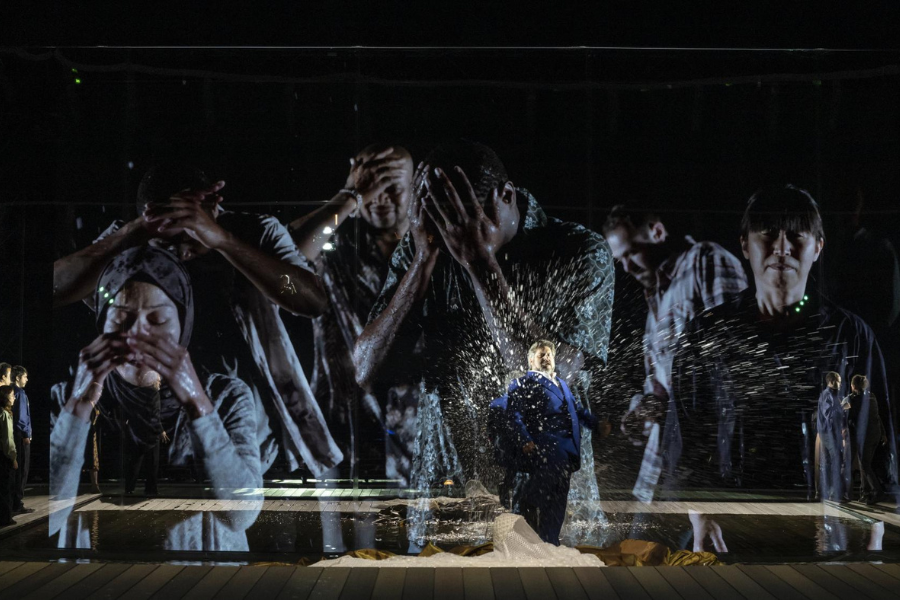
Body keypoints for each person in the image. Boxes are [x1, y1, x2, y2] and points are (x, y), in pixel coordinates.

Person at [356, 140, 615, 495]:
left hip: (546, 498)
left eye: (466, 218)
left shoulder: (578, 250)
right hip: (449, 493)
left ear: (506, 196)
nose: (452, 233)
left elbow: (546, 379)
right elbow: (366, 369)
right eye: (441, 220)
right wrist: (420, 263)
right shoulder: (425, 247)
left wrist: (480, 264)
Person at [52, 164, 340, 477]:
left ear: (214, 208)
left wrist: (222, 241)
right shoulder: (132, 236)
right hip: (161, 426)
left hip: (250, 428)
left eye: (191, 235)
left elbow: (312, 300)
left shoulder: (256, 231)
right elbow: (55, 288)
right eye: (169, 241)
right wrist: (136, 231)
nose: (183, 252)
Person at [669, 186, 897, 549]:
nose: (781, 247)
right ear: (745, 244)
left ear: (817, 247)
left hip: (825, 526)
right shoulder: (707, 334)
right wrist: (700, 513)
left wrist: (876, 522)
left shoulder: (849, 335)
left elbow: (875, 432)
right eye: (768, 234)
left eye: (795, 235)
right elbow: (686, 433)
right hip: (733, 527)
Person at [51, 246, 263, 550]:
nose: (137, 335)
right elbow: (49, 517)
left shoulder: (226, 396)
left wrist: (198, 404)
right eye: (122, 319)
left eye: (158, 319)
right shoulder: (62, 399)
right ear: (101, 324)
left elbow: (241, 516)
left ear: (183, 326)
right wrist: (77, 410)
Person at [602, 202, 748, 501]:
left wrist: (709, 481)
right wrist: (642, 409)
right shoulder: (657, 298)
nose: (627, 267)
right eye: (621, 260)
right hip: (658, 472)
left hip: (696, 474)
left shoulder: (706, 261)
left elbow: (735, 364)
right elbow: (662, 387)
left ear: (657, 231)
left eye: (630, 253)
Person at [289, 144, 417, 484]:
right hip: (343, 421)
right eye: (371, 186)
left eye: (392, 186)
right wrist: (349, 198)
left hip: (413, 427)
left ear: (414, 188)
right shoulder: (339, 245)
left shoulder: (430, 250)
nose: (381, 197)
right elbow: (290, 254)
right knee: (341, 533)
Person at [505, 340, 605, 545]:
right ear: (531, 360)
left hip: (565, 455)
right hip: (543, 452)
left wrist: (596, 425)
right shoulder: (523, 383)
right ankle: (532, 542)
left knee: (558, 502)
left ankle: (550, 543)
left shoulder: (562, 384)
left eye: (549, 354)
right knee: (536, 500)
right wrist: (525, 440)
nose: (546, 357)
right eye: (541, 355)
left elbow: (577, 411)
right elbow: (513, 415)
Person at [843, 374, 888, 505]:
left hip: (866, 436)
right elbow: (877, 417)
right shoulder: (872, 397)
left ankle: (877, 492)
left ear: (853, 386)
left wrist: (842, 408)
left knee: (865, 465)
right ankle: (865, 493)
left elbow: (850, 418)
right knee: (865, 464)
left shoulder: (855, 400)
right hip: (876, 434)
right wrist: (884, 434)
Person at [817, 372, 848, 501]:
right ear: (832, 381)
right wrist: (843, 407)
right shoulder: (827, 395)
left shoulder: (833, 394)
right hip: (828, 432)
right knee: (836, 461)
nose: (840, 383)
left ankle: (827, 492)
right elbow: (828, 414)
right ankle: (834, 493)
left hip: (830, 432)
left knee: (829, 462)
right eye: (838, 381)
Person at [11, 366, 32, 514]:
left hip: (14, 434)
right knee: (22, 469)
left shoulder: (11, 392)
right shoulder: (19, 393)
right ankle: (17, 503)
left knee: (16, 470)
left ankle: (14, 501)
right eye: (25, 376)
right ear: (18, 377)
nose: (27, 379)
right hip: (20, 435)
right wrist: (26, 434)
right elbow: (21, 417)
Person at [0, 385, 18, 526]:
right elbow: (7, 440)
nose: (14, 398)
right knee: (7, 487)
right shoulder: (5, 415)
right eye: (12, 396)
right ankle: (6, 518)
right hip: (4, 457)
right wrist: (13, 457)